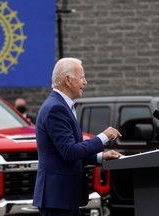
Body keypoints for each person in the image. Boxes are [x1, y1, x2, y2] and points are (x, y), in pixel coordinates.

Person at [33, 57, 123, 216]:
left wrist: (101, 157)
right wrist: (103, 136)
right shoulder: (56, 108)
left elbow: (68, 152)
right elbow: (69, 152)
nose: (85, 82)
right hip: (57, 199)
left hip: (63, 198)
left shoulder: (61, 105)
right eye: (82, 77)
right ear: (68, 80)